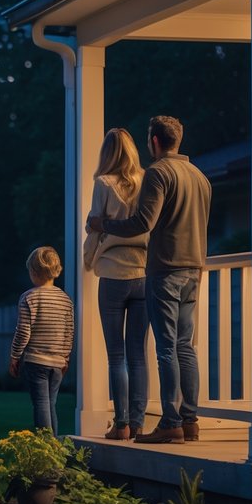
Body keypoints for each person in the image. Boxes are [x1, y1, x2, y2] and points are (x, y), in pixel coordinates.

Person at [88, 115, 211, 445]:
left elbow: (143, 221)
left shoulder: (159, 172)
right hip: (192, 268)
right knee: (183, 347)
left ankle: (167, 422)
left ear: (155, 141)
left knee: (163, 350)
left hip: (161, 269)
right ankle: (189, 421)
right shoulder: (200, 176)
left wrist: (102, 225)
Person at [83, 128, 149, 441]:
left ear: (106, 154)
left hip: (112, 273)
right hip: (144, 273)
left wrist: (87, 257)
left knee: (117, 355)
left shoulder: (103, 184)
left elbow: (95, 227)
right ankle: (138, 423)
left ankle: (120, 424)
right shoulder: (147, 180)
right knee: (139, 355)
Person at [9, 246, 75, 435]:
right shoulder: (65, 299)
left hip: (36, 360)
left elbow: (23, 332)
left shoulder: (28, 297)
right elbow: (69, 331)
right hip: (58, 362)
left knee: (41, 404)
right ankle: (55, 451)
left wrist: (14, 356)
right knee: (50, 404)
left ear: (35, 271)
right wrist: (66, 357)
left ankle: (46, 450)